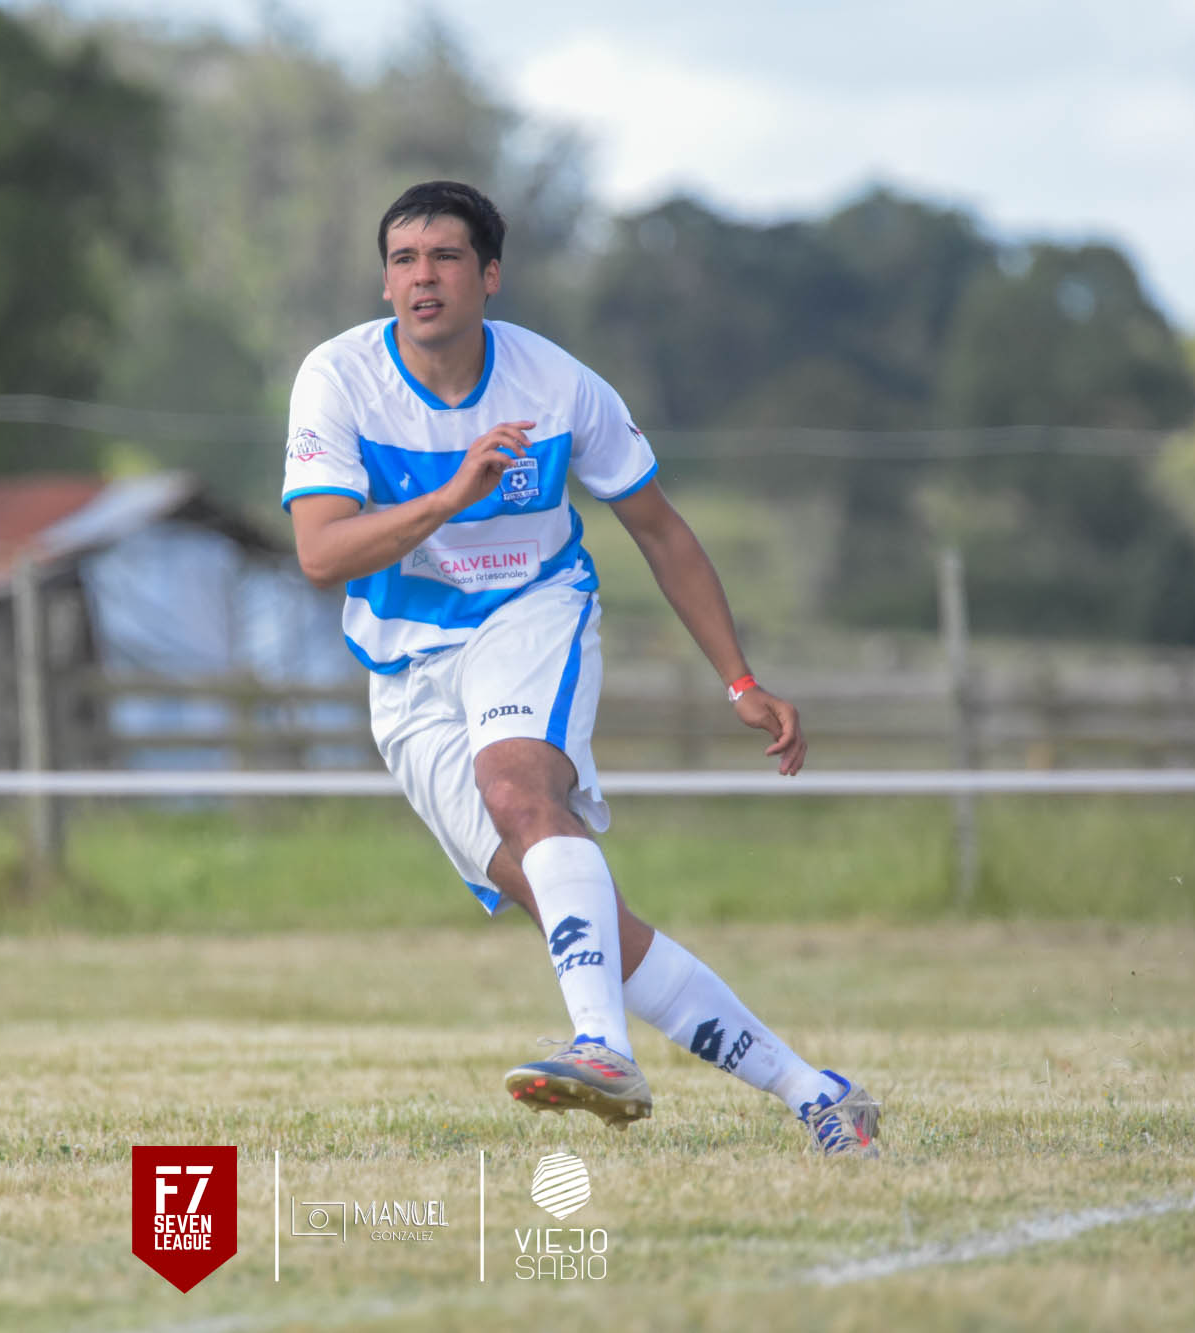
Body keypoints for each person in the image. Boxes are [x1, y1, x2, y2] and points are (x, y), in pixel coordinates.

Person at [281, 180, 881, 1156]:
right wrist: (450, 495)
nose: (422, 277)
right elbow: (319, 554)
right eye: (402, 260)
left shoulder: (557, 384)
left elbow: (660, 529)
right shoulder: (338, 377)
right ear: (385, 281)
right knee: (578, 913)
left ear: (489, 275)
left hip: (533, 610)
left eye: (444, 257)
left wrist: (739, 681)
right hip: (406, 672)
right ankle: (817, 1092)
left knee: (517, 787)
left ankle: (600, 1046)